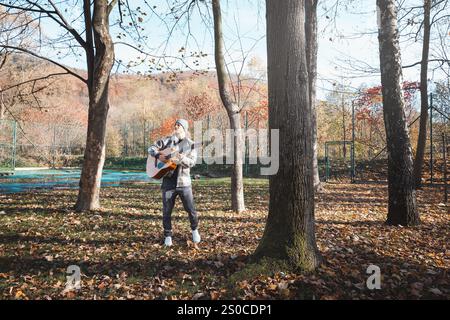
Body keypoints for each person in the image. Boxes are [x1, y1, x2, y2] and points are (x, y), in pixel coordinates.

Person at [148, 119, 200, 247]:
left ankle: (194, 230)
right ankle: (168, 235)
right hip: (168, 183)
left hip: (184, 183)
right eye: (175, 125)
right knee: (166, 211)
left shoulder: (191, 144)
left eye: (179, 125)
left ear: (185, 129)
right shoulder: (166, 141)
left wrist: (180, 157)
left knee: (191, 210)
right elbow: (151, 148)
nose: (176, 127)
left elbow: (192, 162)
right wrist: (158, 155)